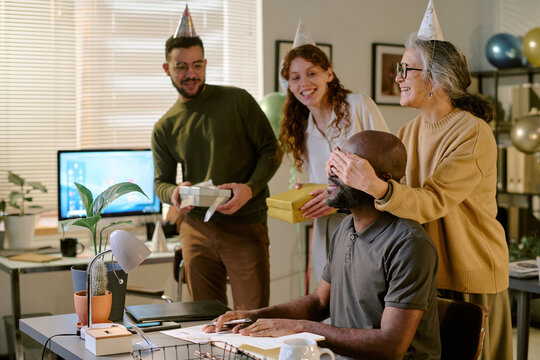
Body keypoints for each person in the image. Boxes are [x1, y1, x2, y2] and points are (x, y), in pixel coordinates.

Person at [327, 37, 512, 360]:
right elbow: (396, 195)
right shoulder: (408, 131)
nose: (397, 77)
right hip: (423, 273)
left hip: (468, 272)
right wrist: (342, 181)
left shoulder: (473, 131)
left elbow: (432, 201)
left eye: (405, 69)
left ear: (437, 80)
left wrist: (375, 185)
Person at [205, 131, 440, 360]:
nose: (332, 172)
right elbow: (319, 302)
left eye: (348, 167)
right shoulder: (345, 228)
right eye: (335, 161)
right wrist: (254, 316)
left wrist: (299, 328)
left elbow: (391, 347)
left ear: (383, 179)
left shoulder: (409, 244)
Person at [152, 34, 281, 310]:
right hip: (196, 230)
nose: (191, 74)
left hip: (246, 224)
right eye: (181, 67)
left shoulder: (238, 101)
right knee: (206, 322)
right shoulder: (165, 127)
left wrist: (249, 188)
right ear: (167, 69)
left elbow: (272, 151)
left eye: (197, 65)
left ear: (205, 63)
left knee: (252, 320)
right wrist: (173, 192)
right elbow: (160, 183)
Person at [279, 44, 389, 281]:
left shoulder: (359, 105)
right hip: (327, 232)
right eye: (295, 77)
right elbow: (322, 184)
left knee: (364, 299)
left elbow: (389, 169)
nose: (304, 84)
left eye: (311, 73)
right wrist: (307, 191)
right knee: (329, 305)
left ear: (329, 73)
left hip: (369, 225)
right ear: (289, 84)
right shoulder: (301, 130)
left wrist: (338, 200)